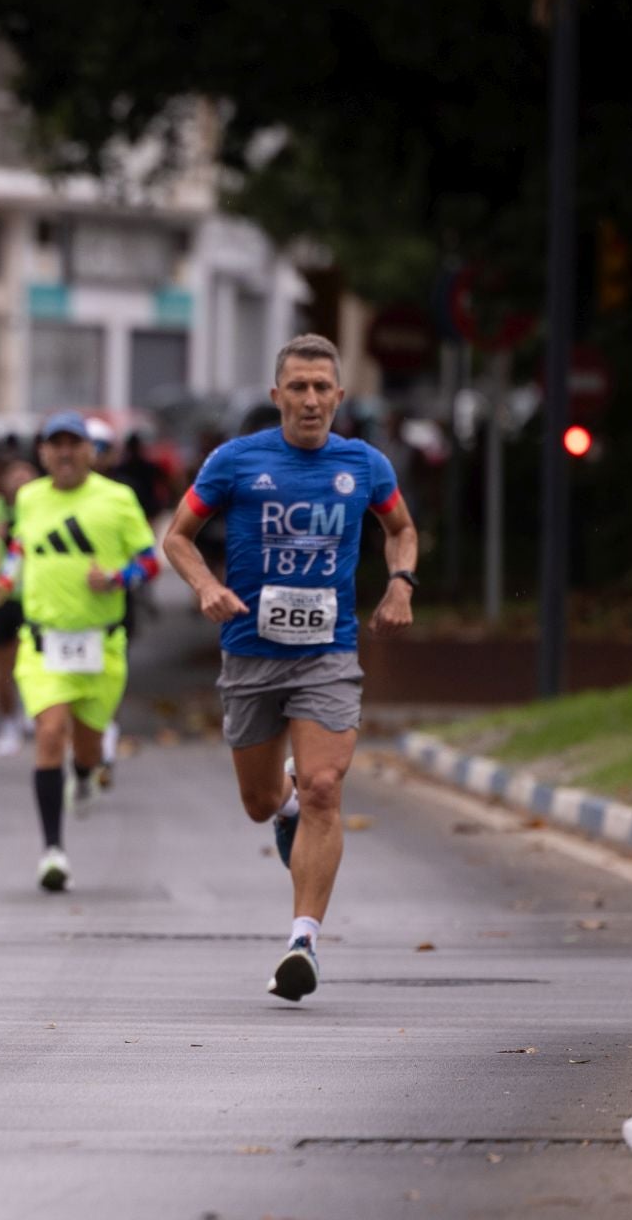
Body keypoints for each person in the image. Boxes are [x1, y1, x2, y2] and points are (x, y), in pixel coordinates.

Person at [162, 334, 415, 1002]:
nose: (309, 400)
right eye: (297, 388)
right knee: (258, 802)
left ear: (340, 395)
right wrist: (206, 588)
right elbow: (177, 535)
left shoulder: (364, 466)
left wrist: (401, 584)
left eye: (321, 388)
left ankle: (302, 941)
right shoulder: (235, 461)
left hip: (328, 651)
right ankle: (285, 807)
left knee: (327, 785)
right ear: (277, 397)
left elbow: (400, 529)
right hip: (250, 651)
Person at [0, 412, 157, 893]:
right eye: (55, 445)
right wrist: (1, 584)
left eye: (74, 444)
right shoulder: (28, 497)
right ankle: (52, 851)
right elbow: (20, 548)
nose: (64, 453)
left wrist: (118, 578)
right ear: (42, 453)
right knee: (49, 732)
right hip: (43, 643)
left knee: (86, 743)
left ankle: (85, 773)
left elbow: (150, 559)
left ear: (91, 451)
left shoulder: (117, 498)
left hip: (101, 644)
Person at [0, 455, 37, 756]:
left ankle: (33, 707)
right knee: (3, 666)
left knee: (30, 660)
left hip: (34, 598)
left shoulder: (45, 506)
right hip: (5, 597)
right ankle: (7, 721)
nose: (19, 482)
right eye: (14, 475)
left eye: (25, 474)